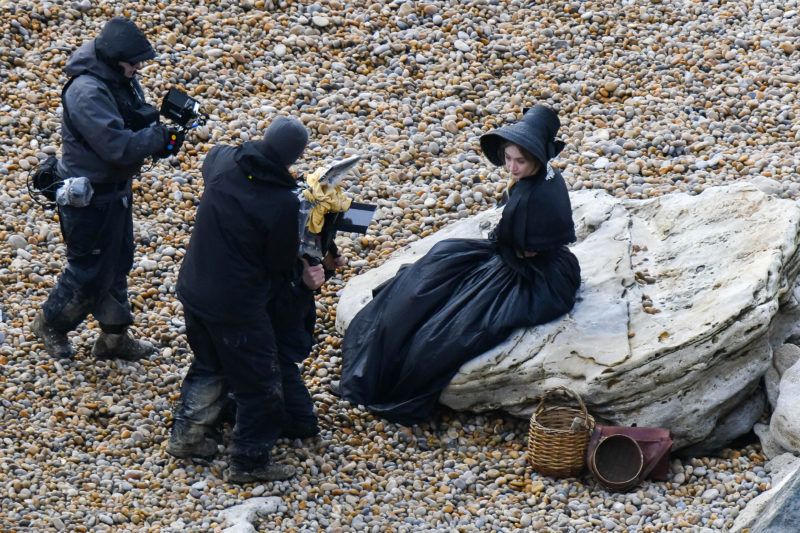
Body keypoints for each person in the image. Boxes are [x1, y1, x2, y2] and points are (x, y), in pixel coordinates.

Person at [338, 105, 582, 424]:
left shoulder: (535, 198)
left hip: (532, 275)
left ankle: (384, 376)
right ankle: (373, 358)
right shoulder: (542, 178)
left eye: (519, 161)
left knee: (441, 331)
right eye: (508, 158)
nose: (511, 167)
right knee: (426, 275)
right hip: (515, 257)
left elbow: (527, 246)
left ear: (537, 157)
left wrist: (509, 244)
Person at [167, 117, 310, 483]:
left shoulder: (223, 161)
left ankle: (186, 438)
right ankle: (249, 462)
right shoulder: (281, 203)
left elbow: (212, 160)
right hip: (237, 307)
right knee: (259, 384)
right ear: (294, 158)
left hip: (195, 287)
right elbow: (279, 264)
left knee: (209, 365)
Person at [32, 17, 183, 360]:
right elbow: (115, 146)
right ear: (116, 60)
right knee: (88, 269)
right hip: (89, 198)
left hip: (115, 190)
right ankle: (50, 323)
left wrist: (160, 139)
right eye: (135, 62)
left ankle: (114, 340)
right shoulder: (87, 91)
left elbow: (130, 126)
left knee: (118, 262)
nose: (139, 67)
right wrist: (158, 138)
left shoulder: (118, 77)